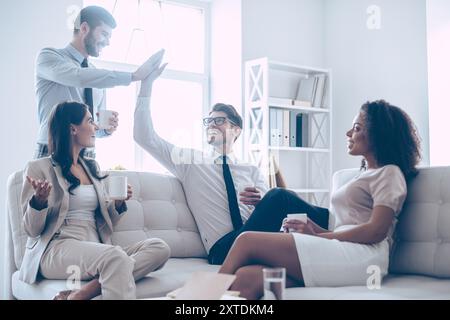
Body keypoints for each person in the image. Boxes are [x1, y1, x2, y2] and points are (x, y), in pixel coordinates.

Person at [133, 55, 329, 266]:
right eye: (209, 121)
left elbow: (267, 211)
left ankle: (336, 235)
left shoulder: (250, 169)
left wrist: (260, 202)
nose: (212, 125)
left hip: (256, 239)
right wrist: (146, 86)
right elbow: (145, 137)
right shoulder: (191, 162)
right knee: (280, 197)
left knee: (279, 204)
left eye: (219, 121)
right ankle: (337, 222)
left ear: (236, 130)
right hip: (224, 249)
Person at [219, 100, 422, 300]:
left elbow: (376, 231)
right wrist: (315, 231)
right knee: (246, 279)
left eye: (357, 128)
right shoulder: (363, 175)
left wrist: (320, 237)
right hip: (343, 249)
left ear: (378, 136)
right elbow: (346, 228)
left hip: (364, 257)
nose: (348, 134)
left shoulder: (389, 173)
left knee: (246, 241)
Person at [20, 101, 170, 300]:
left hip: (96, 246)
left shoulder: (92, 167)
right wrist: (39, 201)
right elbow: (32, 230)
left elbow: (106, 222)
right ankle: (100, 279)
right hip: (58, 248)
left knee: (159, 247)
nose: (96, 127)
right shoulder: (39, 167)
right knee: (116, 258)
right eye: (90, 121)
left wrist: (117, 203)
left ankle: (85, 292)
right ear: (73, 128)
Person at [34, 5, 164, 158]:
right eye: (104, 34)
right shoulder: (49, 57)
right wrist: (133, 76)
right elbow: (78, 77)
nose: (107, 42)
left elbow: (95, 127)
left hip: (87, 154)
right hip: (53, 150)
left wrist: (105, 129)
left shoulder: (96, 75)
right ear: (84, 28)